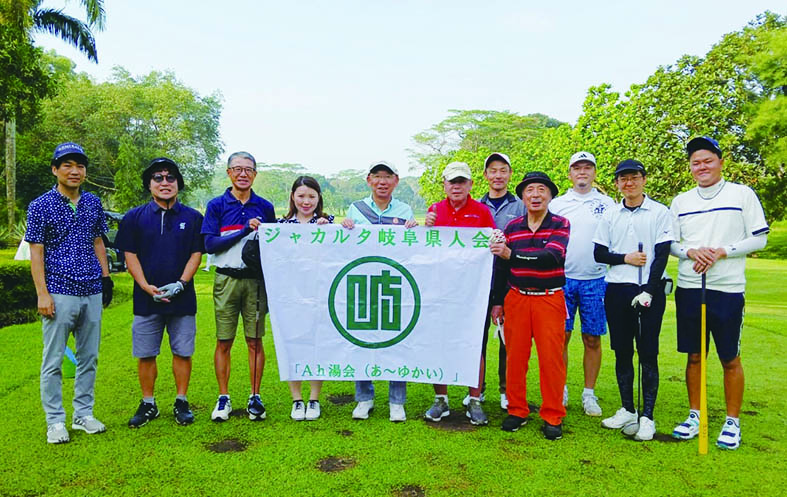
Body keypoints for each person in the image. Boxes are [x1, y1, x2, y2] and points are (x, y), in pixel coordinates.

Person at [669, 137, 768, 450]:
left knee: (729, 358)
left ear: (721, 162)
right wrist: (692, 251)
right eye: (696, 162)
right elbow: (671, 243)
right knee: (695, 356)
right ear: (690, 167)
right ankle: (695, 414)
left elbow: (759, 238)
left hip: (726, 289)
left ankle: (732, 421)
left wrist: (722, 251)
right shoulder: (681, 201)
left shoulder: (741, 194)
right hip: (689, 288)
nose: (702, 167)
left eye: (708, 161)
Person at [25, 142, 113, 444]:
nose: (75, 171)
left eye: (80, 166)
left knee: (89, 358)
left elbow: (98, 242)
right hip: (59, 291)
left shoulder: (92, 202)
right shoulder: (40, 206)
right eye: (67, 165)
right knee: (53, 362)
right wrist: (42, 294)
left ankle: (83, 414)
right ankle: (55, 421)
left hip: (90, 290)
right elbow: (36, 252)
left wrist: (106, 279)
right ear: (55, 169)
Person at [114, 158, 204, 428]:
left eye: (170, 178)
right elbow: (129, 255)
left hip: (182, 297)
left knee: (182, 351)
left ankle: (181, 400)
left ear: (178, 184)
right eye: (158, 178)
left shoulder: (193, 217)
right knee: (146, 353)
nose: (165, 183)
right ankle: (148, 403)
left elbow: (196, 254)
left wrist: (181, 283)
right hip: (146, 298)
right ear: (149, 185)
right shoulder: (134, 217)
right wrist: (144, 286)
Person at [594, 159, 674, 442]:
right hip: (617, 289)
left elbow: (662, 255)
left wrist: (650, 291)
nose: (629, 183)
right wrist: (625, 258)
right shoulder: (611, 214)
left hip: (647, 289)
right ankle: (628, 409)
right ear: (617, 183)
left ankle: (648, 416)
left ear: (643, 179)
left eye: (634, 177)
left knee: (648, 353)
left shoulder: (659, 212)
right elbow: (599, 254)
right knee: (622, 351)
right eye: (623, 179)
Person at [490, 171, 569, 440]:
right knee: (515, 357)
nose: (535, 195)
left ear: (550, 195)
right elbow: (501, 267)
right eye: (530, 190)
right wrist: (498, 302)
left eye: (541, 190)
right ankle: (517, 409)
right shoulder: (512, 228)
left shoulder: (560, 223)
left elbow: (551, 257)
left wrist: (514, 255)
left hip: (549, 297)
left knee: (551, 360)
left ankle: (553, 414)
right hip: (517, 298)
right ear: (522, 196)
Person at [341, 160, 417, 422]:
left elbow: (411, 248)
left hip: (394, 283)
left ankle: (397, 400)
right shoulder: (356, 209)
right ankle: (365, 398)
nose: (382, 181)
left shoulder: (405, 210)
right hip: (363, 282)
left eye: (388, 176)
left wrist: (414, 231)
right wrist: (346, 228)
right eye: (377, 176)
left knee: (397, 339)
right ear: (369, 180)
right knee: (362, 338)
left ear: (396, 181)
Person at [202, 151, 276, 422]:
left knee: (255, 340)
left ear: (255, 174)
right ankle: (224, 397)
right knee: (224, 340)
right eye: (237, 169)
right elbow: (210, 245)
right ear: (229, 173)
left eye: (248, 169)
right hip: (226, 280)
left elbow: (273, 245)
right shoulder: (216, 205)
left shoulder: (265, 207)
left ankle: (255, 396)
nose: (243, 174)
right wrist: (244, 230)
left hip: (256, 281)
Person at [422, 162, 496, 426]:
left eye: (461, 181)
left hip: (472, 294)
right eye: (452, 182)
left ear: (470, 185)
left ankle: (474, 400)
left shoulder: (482, 212)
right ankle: (440, 399)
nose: (457, 186)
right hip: (439, 292)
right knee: (438, 342)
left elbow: (492, 249)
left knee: (474, 345)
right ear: (444, 184)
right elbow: (423, 252)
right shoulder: (434, 211)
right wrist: (425, 228)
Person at [549, 151, 615, 416]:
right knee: (560, 338)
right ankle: (560, 388)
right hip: (562, 280)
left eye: (588, 168)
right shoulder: (558, 204)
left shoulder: (608, 203)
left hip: (596, 280)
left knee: (592, 338)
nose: (582, 172)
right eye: (577, 168)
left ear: (594, 173)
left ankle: (589, 394)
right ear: (570, 173)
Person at [278, 176, 334, 421]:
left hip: (320, 294)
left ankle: (314, 398)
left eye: (312, 196)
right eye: (301, 196)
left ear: (319, 198)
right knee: (291, 343)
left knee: (316, 344)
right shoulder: (280, 226)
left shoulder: (328, 223)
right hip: (289, 296)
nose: (306, 201)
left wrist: (333, 231)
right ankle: (296, 399)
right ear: (293, 197)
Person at [477, 152, 523, 410]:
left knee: (508, 340)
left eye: (502, 170)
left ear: (509, 174)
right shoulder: (476, 206)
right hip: (478, 283)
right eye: (492, 170)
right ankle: (478, 388)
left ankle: (506, 391)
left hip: (510, 280)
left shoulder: (520, 207)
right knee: (477, 337)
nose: (497, 175)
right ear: (485, 175)